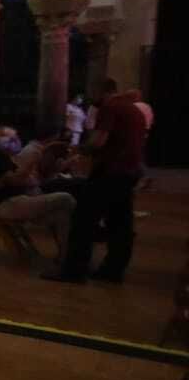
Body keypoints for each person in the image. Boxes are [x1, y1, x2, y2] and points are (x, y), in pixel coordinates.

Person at [48, 79, 148, 284]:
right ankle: (112, 270)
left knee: (83, 221)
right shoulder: (134, 110)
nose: (89, 97)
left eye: (91, 91)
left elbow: (99, 141)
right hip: (128, 171)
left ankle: (73, 271)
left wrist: (80, 150)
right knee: (120, 224)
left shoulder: (110, 107)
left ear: (100, 90)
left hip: (111, 171)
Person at [0, 126, 76, 255]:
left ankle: (67, 257)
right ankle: (73, 253)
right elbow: (16, 180)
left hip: (20, 199)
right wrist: (31, 163)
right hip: (7, 204)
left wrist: (19, 177)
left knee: (62, 214)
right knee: (65, 197)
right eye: (2, 136)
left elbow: (20, 179)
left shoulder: (1, 155)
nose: (8, 139)